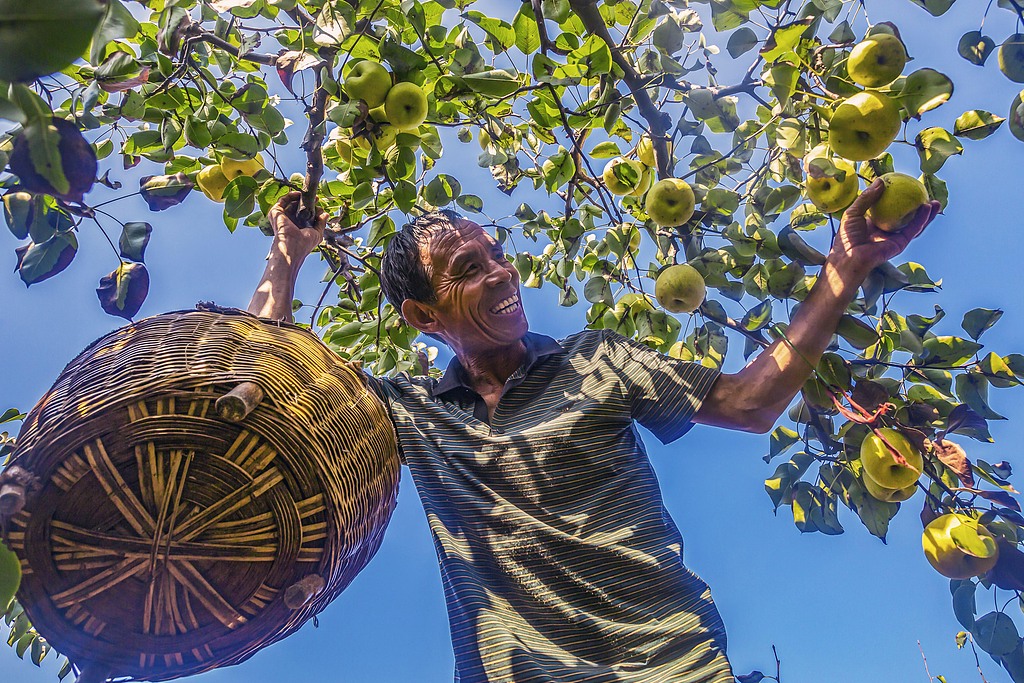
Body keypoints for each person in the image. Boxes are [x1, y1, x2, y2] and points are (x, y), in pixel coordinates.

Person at [249, 185, 939, 682]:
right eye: (468, 268)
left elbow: (751, 402)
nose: (500, 272)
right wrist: (288, 252)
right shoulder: (410, 412)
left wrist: (843, 269)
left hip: (668, 666)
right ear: (423, 316)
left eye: (496, 253)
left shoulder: (597, 359)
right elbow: (264, 373)